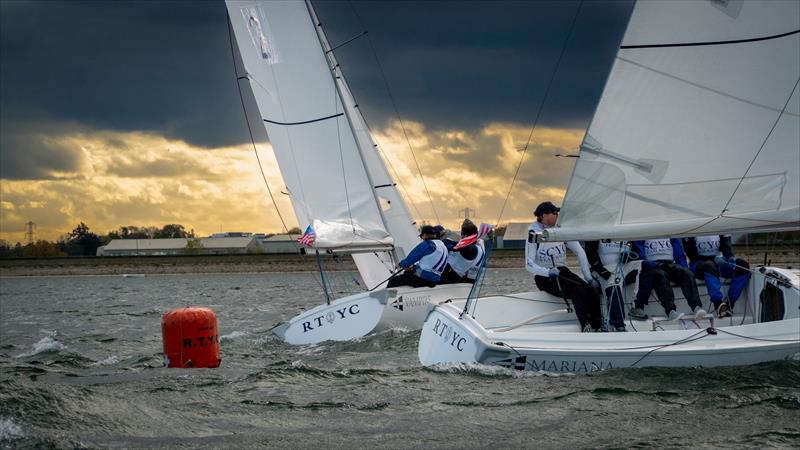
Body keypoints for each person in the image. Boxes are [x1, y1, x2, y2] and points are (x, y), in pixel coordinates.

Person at [525, 201, 602, 332]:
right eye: (555, 213)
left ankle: (598, 326)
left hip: (562, 271)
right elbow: (529, 264)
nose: (557, 216)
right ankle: (586, 326)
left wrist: (588, 277)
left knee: (591, 290)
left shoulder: (560, 228)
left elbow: (579, 251)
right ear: (544, 215)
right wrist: (547, 272)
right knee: (576, 289)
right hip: (545, 276)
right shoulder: (533, 233)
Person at [631, 238, 707, 320]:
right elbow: (641, 256)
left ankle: (697, 307)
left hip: (669, 264)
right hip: (652, 266)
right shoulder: (643, 234)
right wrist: (656, 264)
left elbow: (679, 255)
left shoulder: (669, 232)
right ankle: (671, 311)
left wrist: (684, 267)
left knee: (687, 273)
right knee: (661, 276)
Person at [585, 240, 647, 332]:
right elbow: (590, 253)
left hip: (625, 265)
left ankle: (637, 306)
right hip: (605, 269)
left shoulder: (624, 231)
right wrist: (602, 272)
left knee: (645, 265)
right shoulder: (597, 231)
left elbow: (636, 250)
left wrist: (629, 257)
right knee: (613, 286)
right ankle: (618, 324)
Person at [684, 235, 751, 318]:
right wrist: (714, 258)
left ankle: (730, 303)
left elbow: (726, 248)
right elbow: (692, 255)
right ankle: (718, 304)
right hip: (698, 264)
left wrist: (730, 258)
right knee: (709, 265)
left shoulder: (720, 227)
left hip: (718, 263)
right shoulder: (691, 229)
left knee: (743, 266)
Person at [439, 220, 485, 284]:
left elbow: (462, 247)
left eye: (461, 234)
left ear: (465, 235)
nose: (461, 237)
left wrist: (450, 247)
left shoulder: (471, 248)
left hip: (455, 276)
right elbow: (453, 243)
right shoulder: (480, 245)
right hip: (470, 277)